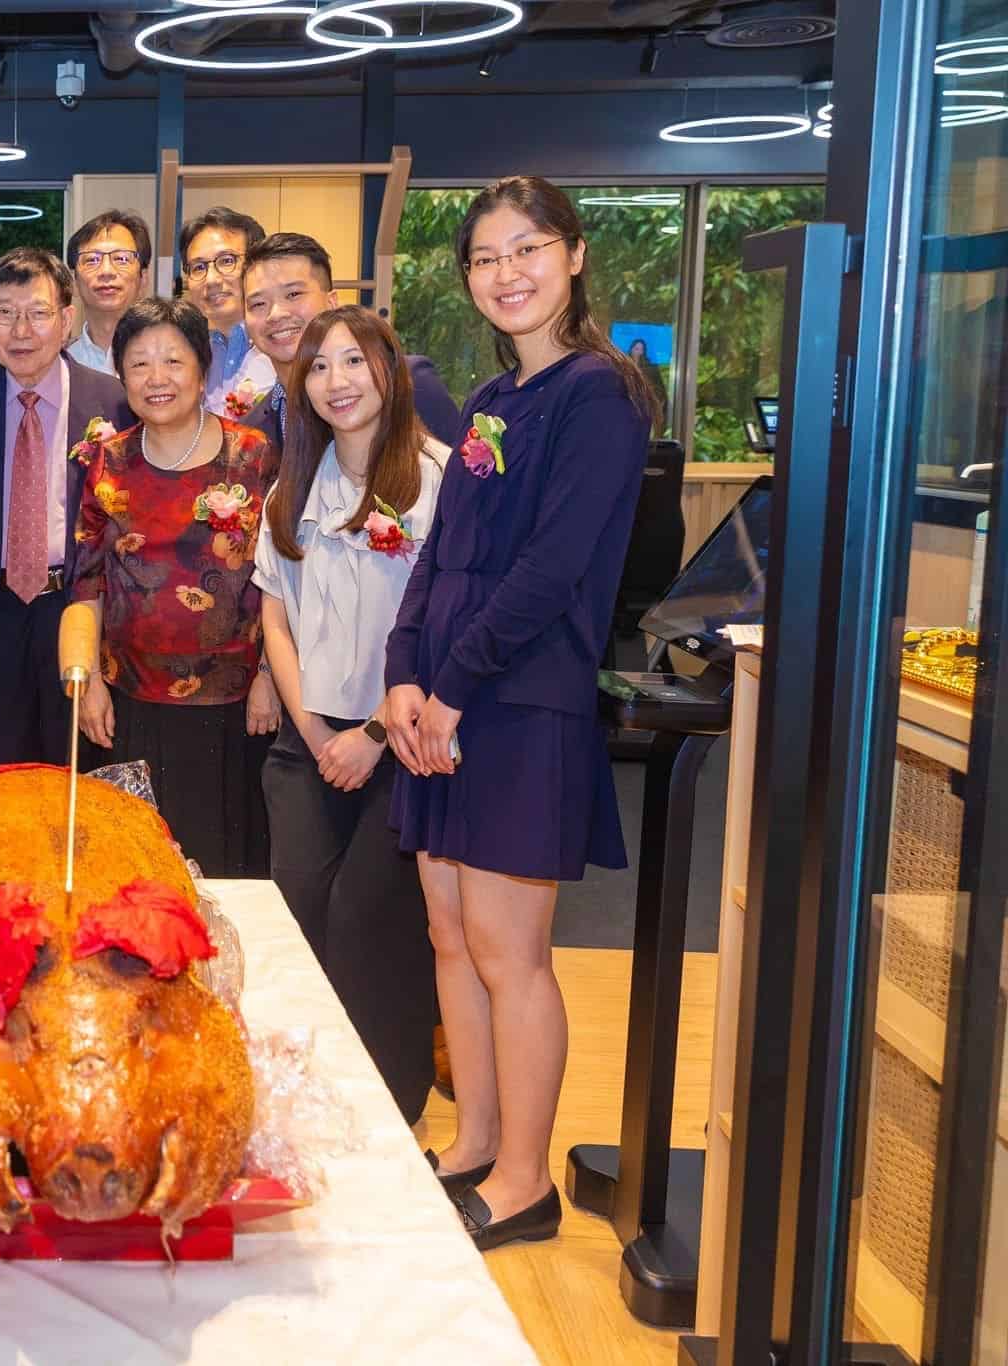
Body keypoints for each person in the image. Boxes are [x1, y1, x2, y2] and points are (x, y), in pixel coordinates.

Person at [382, 176, 657, 1252]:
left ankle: (525, 1181)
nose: (507, 273)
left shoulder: (599, 393)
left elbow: (552, 567)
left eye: (527, 248)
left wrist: (453, 685)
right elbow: (439, 551)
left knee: (510, 951)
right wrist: (404, 672)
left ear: (574, 255)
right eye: (485, 258)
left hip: (518, 701)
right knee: (450, 938)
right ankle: (475, 1145)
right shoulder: (496, 396)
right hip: (443, 699)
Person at [255, 307, 447, 1124]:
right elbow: (275, 617)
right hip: (311, 738)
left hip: (400, 742)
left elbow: (445, 621)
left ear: (388, 370)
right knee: (298, 913)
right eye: (320, 367)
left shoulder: (436, 479)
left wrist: (371, 736)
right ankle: (306, 1101)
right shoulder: (294, 483)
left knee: (369, 926)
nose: (337, 382)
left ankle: (386, 1107)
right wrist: (315, 733)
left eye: (354, 362)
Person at [72, 296, 279, 875]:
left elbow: (282, 579)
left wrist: (270, 677)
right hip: (129, 701)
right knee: (135, 867)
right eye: (139, 363)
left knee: (228, 866)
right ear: (121, 375)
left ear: (202, 369)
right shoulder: (108, 461)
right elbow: (87, 582)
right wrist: (89, 684)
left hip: (235, 703)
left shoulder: (253, 456)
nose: (156, 378)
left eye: (173, 361)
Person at [0, 247, 132, 778]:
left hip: (77, 606)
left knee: (75, 775)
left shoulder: (115, 403)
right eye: (5, 313)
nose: (21, 330)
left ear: (66, 319)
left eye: (37, 312)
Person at [239, 231, 462, 444]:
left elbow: (457, 467)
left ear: (332, 302)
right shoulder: (252, 432)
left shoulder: (405, 381)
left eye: (293, 294)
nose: (276, 314)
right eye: (258, 304)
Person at [178, 206, 275, 416]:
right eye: (199, 267)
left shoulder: (282, 344)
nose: (211, 279)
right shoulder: (189, 354)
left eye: (227, 261)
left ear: (257, 266)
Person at [66, 210, 152, 376]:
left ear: (143, 279)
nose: (106, 271)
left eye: (121, 259)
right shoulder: (60, 366)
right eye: (92, 260)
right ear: (74, 282)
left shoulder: (168, 359)